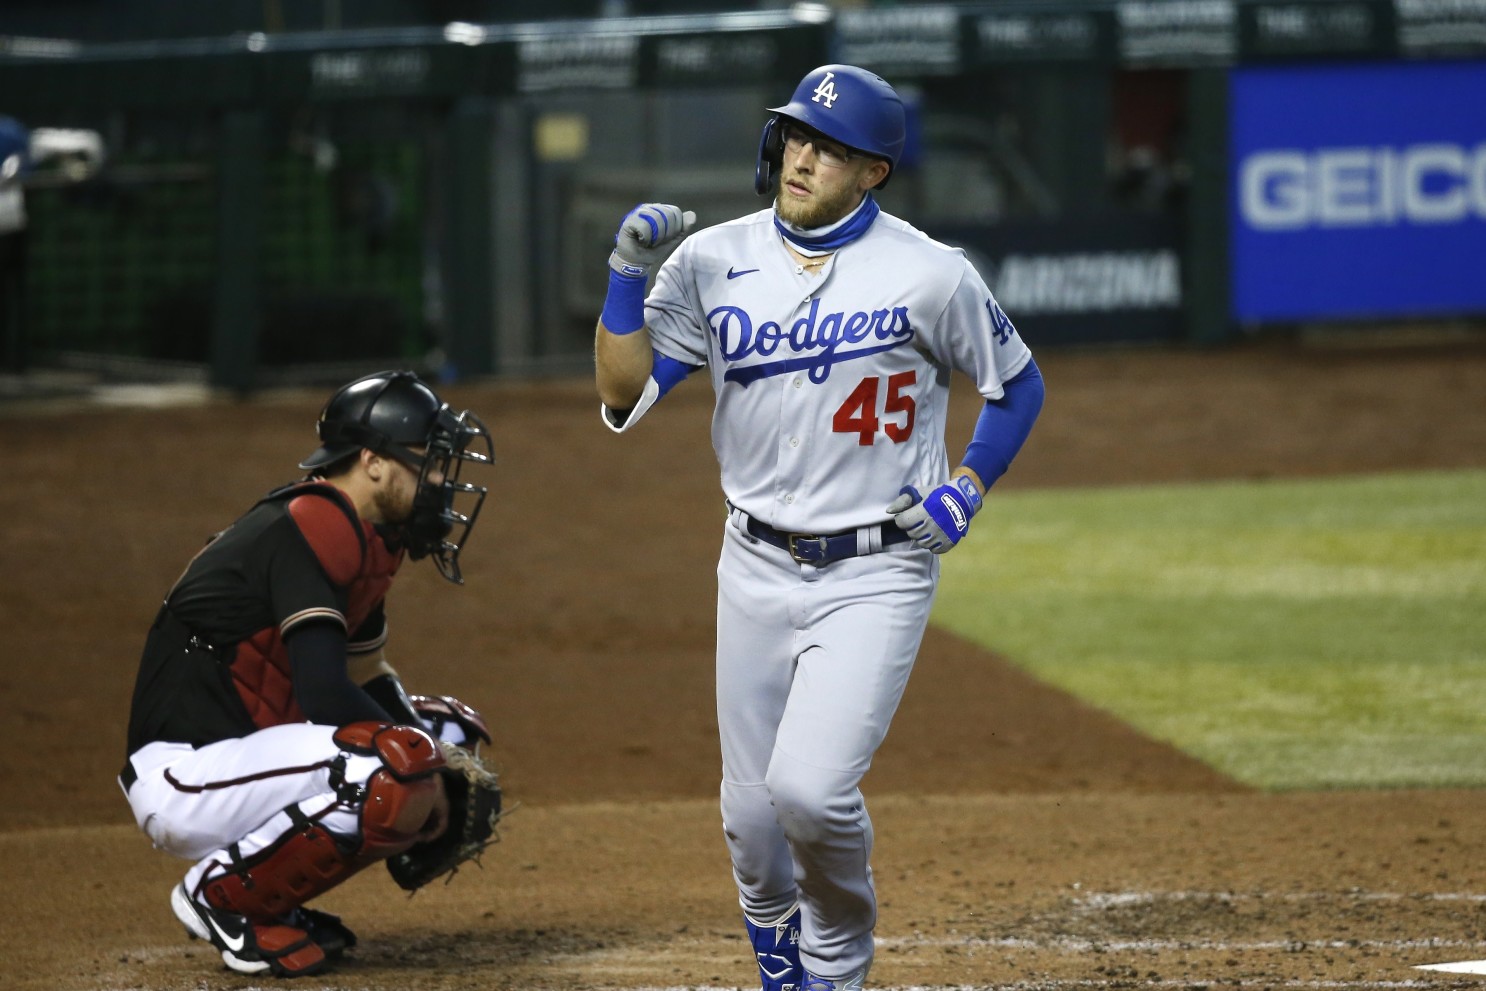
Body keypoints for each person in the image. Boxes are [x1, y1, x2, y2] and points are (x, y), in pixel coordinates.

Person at [594, 65, 1045, 991]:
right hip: (752, 564)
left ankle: (836, 956)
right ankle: (777, 952)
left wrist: (969, 482)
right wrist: (626, 278)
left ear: (872, 172)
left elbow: (1017, 383)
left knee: (810, 790)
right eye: (798, 136)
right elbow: (621, 390)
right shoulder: (713, 260)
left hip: (877, 569)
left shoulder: (930, 272)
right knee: (751, 817)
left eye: (831, 149)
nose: (804, 158)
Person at [119, 370, 495, 978]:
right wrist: (416, 762)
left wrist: (438, 762)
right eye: (427, 463)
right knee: (388, 765)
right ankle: (219, 896)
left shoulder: (368, 538)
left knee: (447, 738)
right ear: (373, 462)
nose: (440, 483)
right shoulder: (307, 525)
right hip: (187, 773)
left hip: (252, 759)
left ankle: (272, 900)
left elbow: (366, 670)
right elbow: (323, 692)